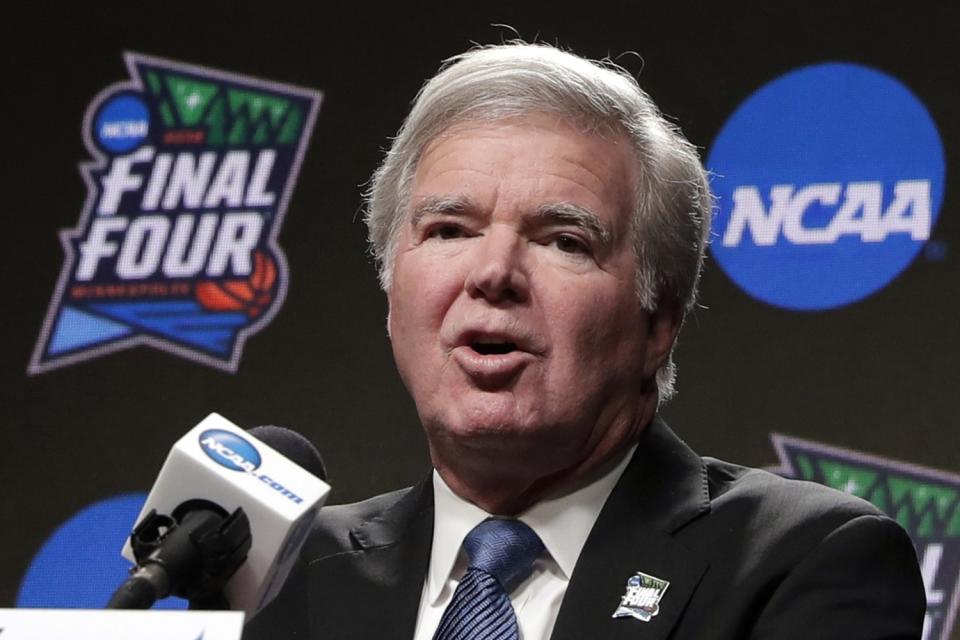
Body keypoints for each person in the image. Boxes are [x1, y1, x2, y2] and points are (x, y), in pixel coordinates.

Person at [245, 43, 925, 639]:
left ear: (660, 323)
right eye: (450, 229)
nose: (493, 274)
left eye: (563, 241)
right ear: (394, 293)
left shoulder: (802, 563)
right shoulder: (280, 579)